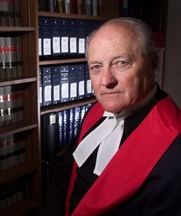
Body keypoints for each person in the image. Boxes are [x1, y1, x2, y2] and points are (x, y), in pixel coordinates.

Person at [42, 17, 181, 216]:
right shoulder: (95, 111)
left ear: (153, 62)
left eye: (121, 62)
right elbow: (65, 173)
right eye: (96, 67)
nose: (106, 81)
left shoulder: (175, 148)